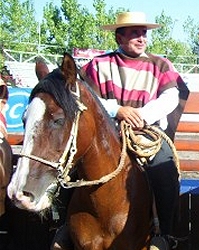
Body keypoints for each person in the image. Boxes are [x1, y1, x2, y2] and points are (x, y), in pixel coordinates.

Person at [55, 11, 189, 250]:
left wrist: (141, 116)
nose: (141, 38)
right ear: (119, 38)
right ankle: (63, 227)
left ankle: (165, 233)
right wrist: (118, 110)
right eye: (134, 33)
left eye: (143, 33)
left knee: (164, 166)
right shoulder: (99, 64)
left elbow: (171, 97)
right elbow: (87, 96)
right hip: (106, 132)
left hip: (146, 132)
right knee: (70, 164)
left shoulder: (160, 64)